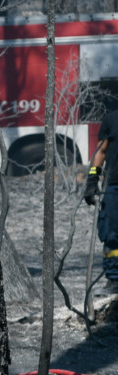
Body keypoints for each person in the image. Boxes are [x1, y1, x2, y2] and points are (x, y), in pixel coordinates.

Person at [84, 100, 118, 287]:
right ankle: (114, 279)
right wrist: (91, 180)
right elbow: (100, 152)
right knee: (112, 234)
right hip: (114, 186)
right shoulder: (111, 120)